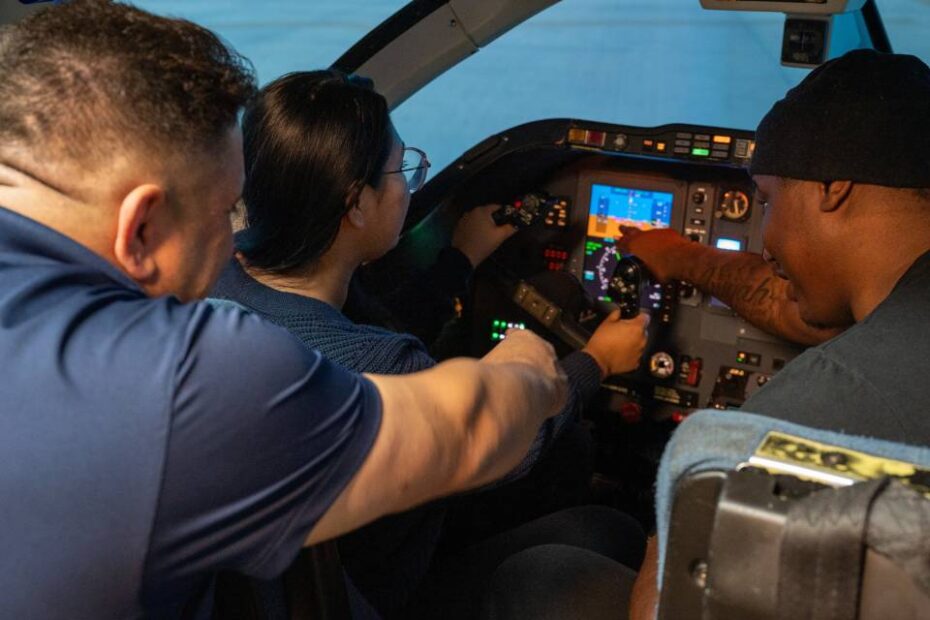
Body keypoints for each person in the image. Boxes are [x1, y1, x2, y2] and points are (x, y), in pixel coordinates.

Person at [0, 2, 572, 618]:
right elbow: (471, 429)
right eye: (224, 214)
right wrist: (535, 364)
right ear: (140, 228)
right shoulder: (179, 380)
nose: (231, 246)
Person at [209, 69, 652, 617]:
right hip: (377, 594)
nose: (410, 184)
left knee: (574, 453)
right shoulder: (382, 365)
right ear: (356, 206)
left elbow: (361, 328)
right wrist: (595, 362)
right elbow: (513, 446)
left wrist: (459, 261)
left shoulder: (212, 280)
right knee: (608, 528)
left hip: (291, 582)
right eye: (402, 169)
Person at [628, 48, 930, 619]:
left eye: (767, 201)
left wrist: (669, 513)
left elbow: (669, 604)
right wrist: (681, 257)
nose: (765, 242)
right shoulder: (901, 309)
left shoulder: (832, 395)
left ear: (832, 187)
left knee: (549, 570)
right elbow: (796, 307)